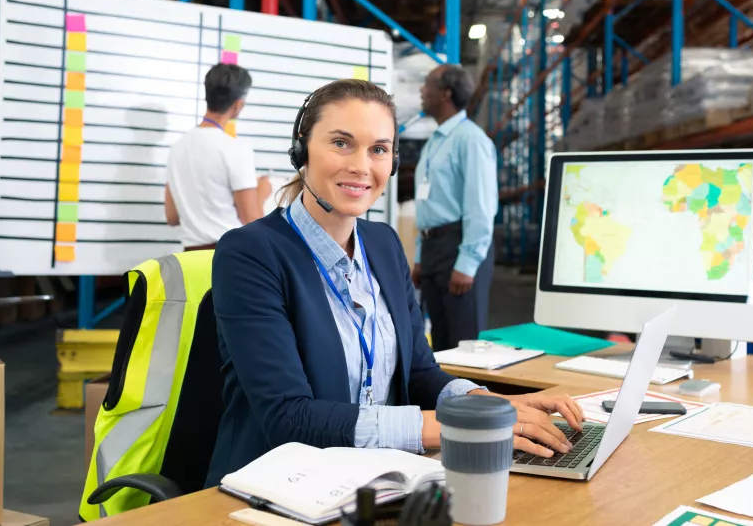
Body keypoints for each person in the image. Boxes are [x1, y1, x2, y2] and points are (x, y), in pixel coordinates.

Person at [206, 79, 583, 486]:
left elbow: (419, 373)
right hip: (277, 489)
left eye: (379, 149)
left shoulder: (382, 244)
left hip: (379, 479)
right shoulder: (250, 253)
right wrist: (458, 425)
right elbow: (289, 418)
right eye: (341, 143)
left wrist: (486, 404)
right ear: (302, 150)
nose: (361, 166)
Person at [412, 64, 498, 352]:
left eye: (428, 84)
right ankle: (445, 399)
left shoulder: (471, 140)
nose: (422, 91)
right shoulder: (436, 142)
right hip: (435, 248)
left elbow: (481, 205)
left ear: (446, 93)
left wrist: (468, 263)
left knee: (465, 346)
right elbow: (429, 204)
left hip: (460, 246)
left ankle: (469, 398)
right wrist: (421, 255)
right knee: (440, 344)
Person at [165, 63, 272, 251]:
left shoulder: (176, 148)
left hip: (189, 260)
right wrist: (261, 192)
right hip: (228, 257)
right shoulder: (236, 149)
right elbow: (252, 222)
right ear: (238, 105)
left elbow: (172, 217)